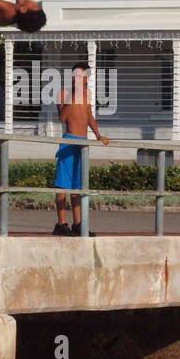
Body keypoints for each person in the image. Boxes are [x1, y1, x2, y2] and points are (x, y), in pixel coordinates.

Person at [53, 62, 109, 236]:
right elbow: (62, 117)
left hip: (83, 142)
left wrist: (98, 134)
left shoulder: (87, 95)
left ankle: (78, 224)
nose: (83, 80)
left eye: (85, 77)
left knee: (78, 185)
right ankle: (61, 224)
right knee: (63, 185)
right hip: (69, 140)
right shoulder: (63, 93)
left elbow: (89, 117)